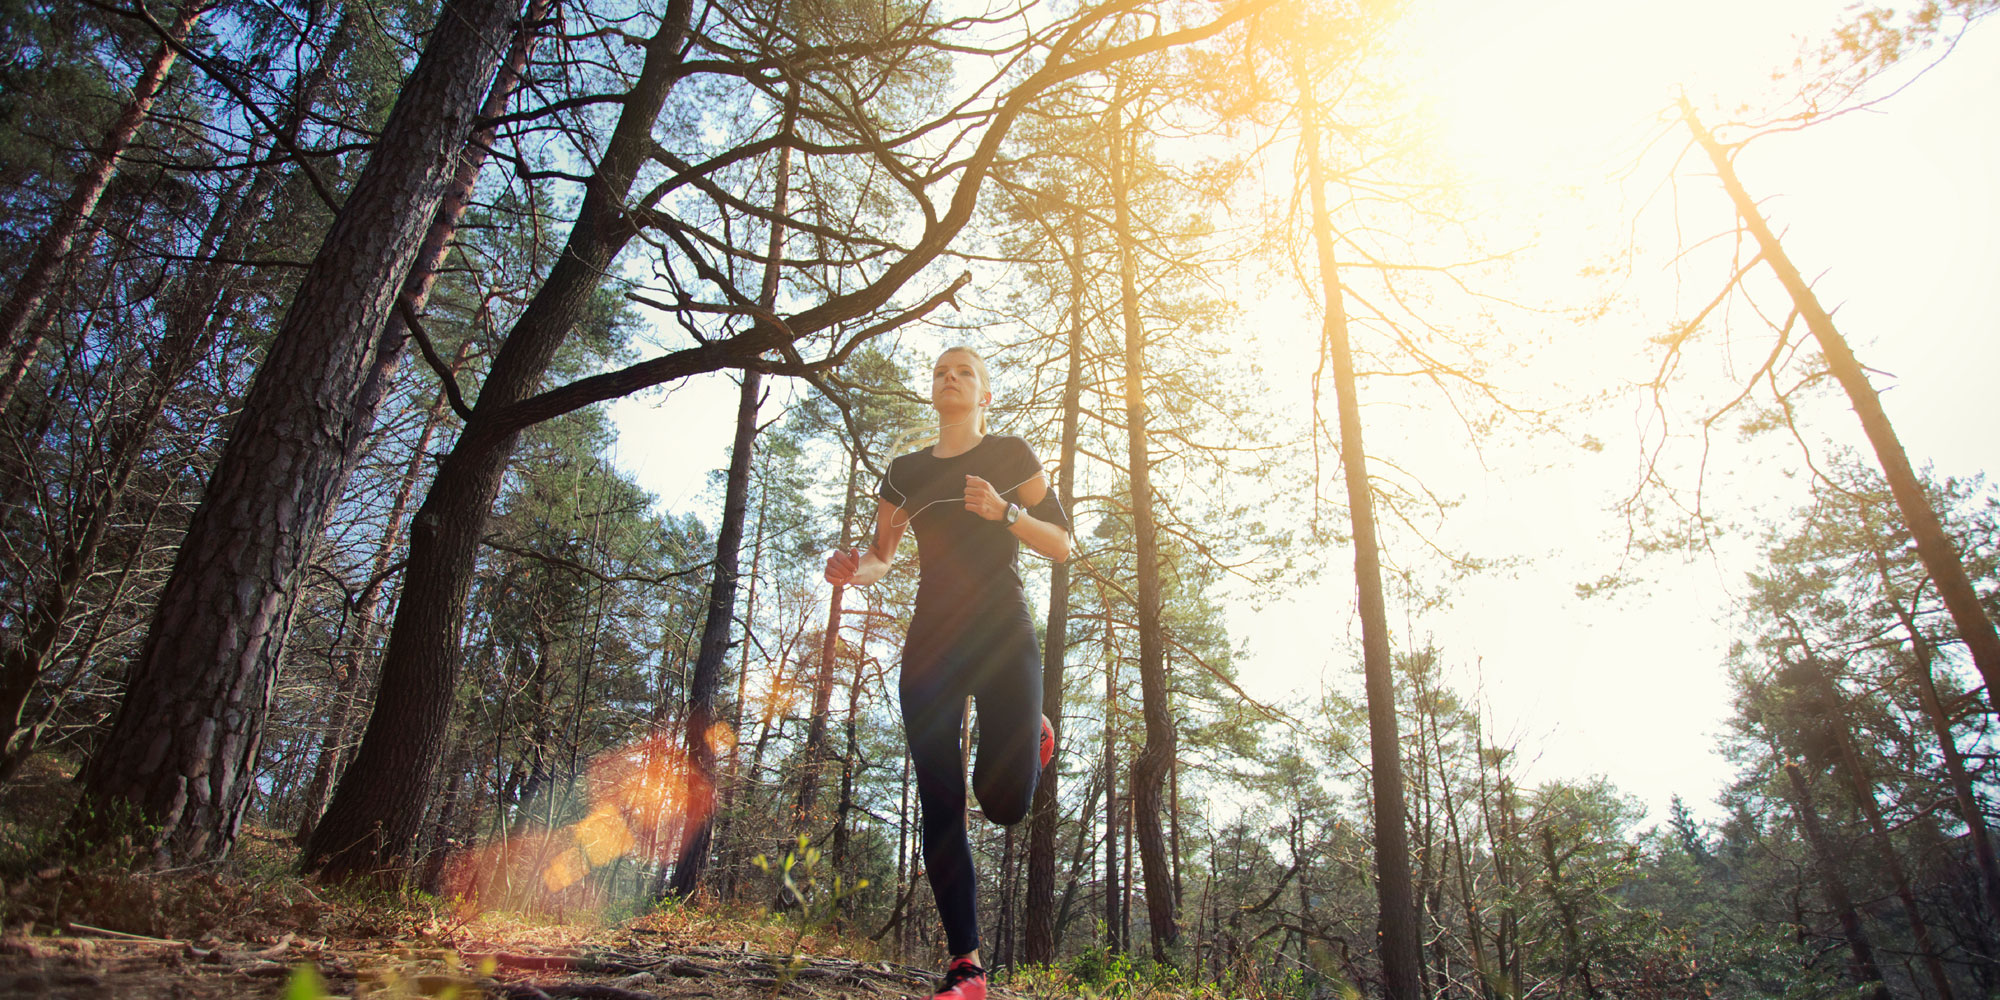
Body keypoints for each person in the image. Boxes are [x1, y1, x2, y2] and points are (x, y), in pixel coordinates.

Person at [823, 346, 1070, 1000]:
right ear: (931, 391)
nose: (949, 378)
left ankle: (1032, 735)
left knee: (1003, 804)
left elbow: (1062, 542)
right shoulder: (905, 472)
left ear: (985, 395)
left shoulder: (1011, 455)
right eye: (940, 372)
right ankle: (967, 965)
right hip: (934, 637)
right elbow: (881, 555)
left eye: (964, 372)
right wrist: (852, 570)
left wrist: (1007, 513)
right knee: (941, 798)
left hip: (1002, 631)